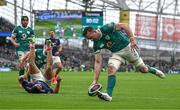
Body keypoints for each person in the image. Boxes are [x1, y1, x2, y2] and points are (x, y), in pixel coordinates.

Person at [83, 22, 165, 101]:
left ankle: (153, 70)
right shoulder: (96, 45)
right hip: (117, 54)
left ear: (93, 31)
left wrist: (132, 40)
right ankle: (109, 95)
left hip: (128, 49)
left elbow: (125, 25)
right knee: (111, 68)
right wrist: (95, 80)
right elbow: (98, 62)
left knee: (143, 69)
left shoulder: (107, 27)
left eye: (90, 37)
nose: (91, 40)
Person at [10, 16, 35, 86]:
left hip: (28, 50)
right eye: (24, 20)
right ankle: (21, 82)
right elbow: (12, 38)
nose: (25, 22)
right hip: (20, 49)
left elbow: (33, 40)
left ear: (28, 21)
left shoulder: (30, 30)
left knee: (29, 65)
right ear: (21, 21)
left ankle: (29, 81)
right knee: (22, 64)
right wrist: (15, 43)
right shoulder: (17, 29)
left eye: (26, 20)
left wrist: (32, 45)